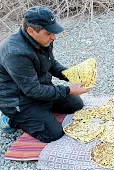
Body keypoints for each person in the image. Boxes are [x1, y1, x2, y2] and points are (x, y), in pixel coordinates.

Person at [0, 6, 90, 142]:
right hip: (19, 101)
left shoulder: (42, 40)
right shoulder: (15, 53)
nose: (53, 37)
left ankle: (41, 113)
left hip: (38, 89)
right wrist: (69, 89)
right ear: (31, 31)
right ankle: (10, 119)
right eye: (48, 33)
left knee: (76, 104)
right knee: (53, 134)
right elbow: (33, 91)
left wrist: (71, 75)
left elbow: (51, 64)